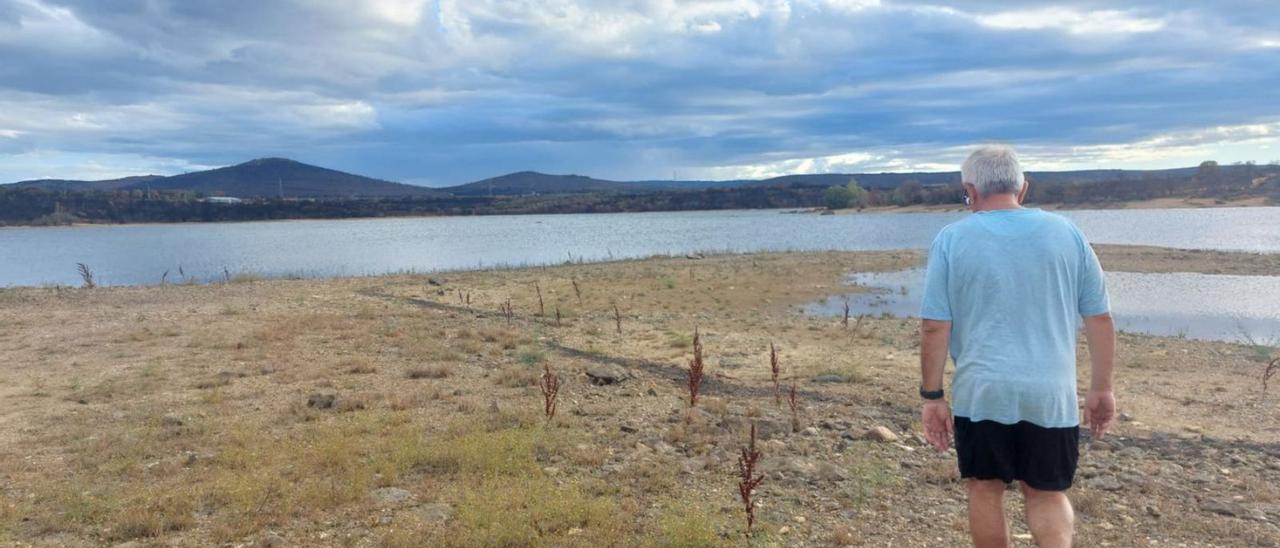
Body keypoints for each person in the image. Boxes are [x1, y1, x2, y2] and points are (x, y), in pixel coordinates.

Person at [918, 145, 1116, 547]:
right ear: (1023, 188)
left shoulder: (952, 238)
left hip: (982, 392)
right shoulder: (1067, 232)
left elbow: (934, 327)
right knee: (1046, 491)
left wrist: (933, 395)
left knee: (984, 488)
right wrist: (1101, 387)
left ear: (970, 191)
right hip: (1050, 394)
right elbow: (1099, 319)